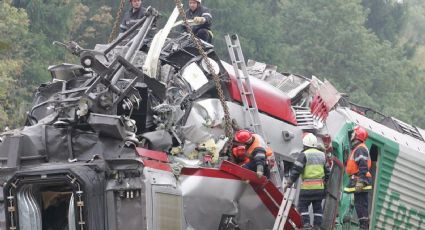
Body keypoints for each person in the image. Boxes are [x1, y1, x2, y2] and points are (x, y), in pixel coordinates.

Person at [284, 133, 330, 230]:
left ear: (305, 144)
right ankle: (317, 226)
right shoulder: (322, 155)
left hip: (307, 188)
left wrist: (289, 183)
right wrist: (324, 183)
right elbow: (327, 172)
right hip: (319, 189)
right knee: (317, 208)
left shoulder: (304, 154)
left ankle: (306, 225)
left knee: (302, 205)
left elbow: (296, 170)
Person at [344, 125, 373, 230]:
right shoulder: (358, 148)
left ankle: (363, 227)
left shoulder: (360, 149)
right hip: (358, 178)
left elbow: (363, 166)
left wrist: (361, 181)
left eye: (353, 133)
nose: (352, 135)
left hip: (361, 178)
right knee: (359, 204)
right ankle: (363, 225)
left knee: (361, 204)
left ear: (357, 136)